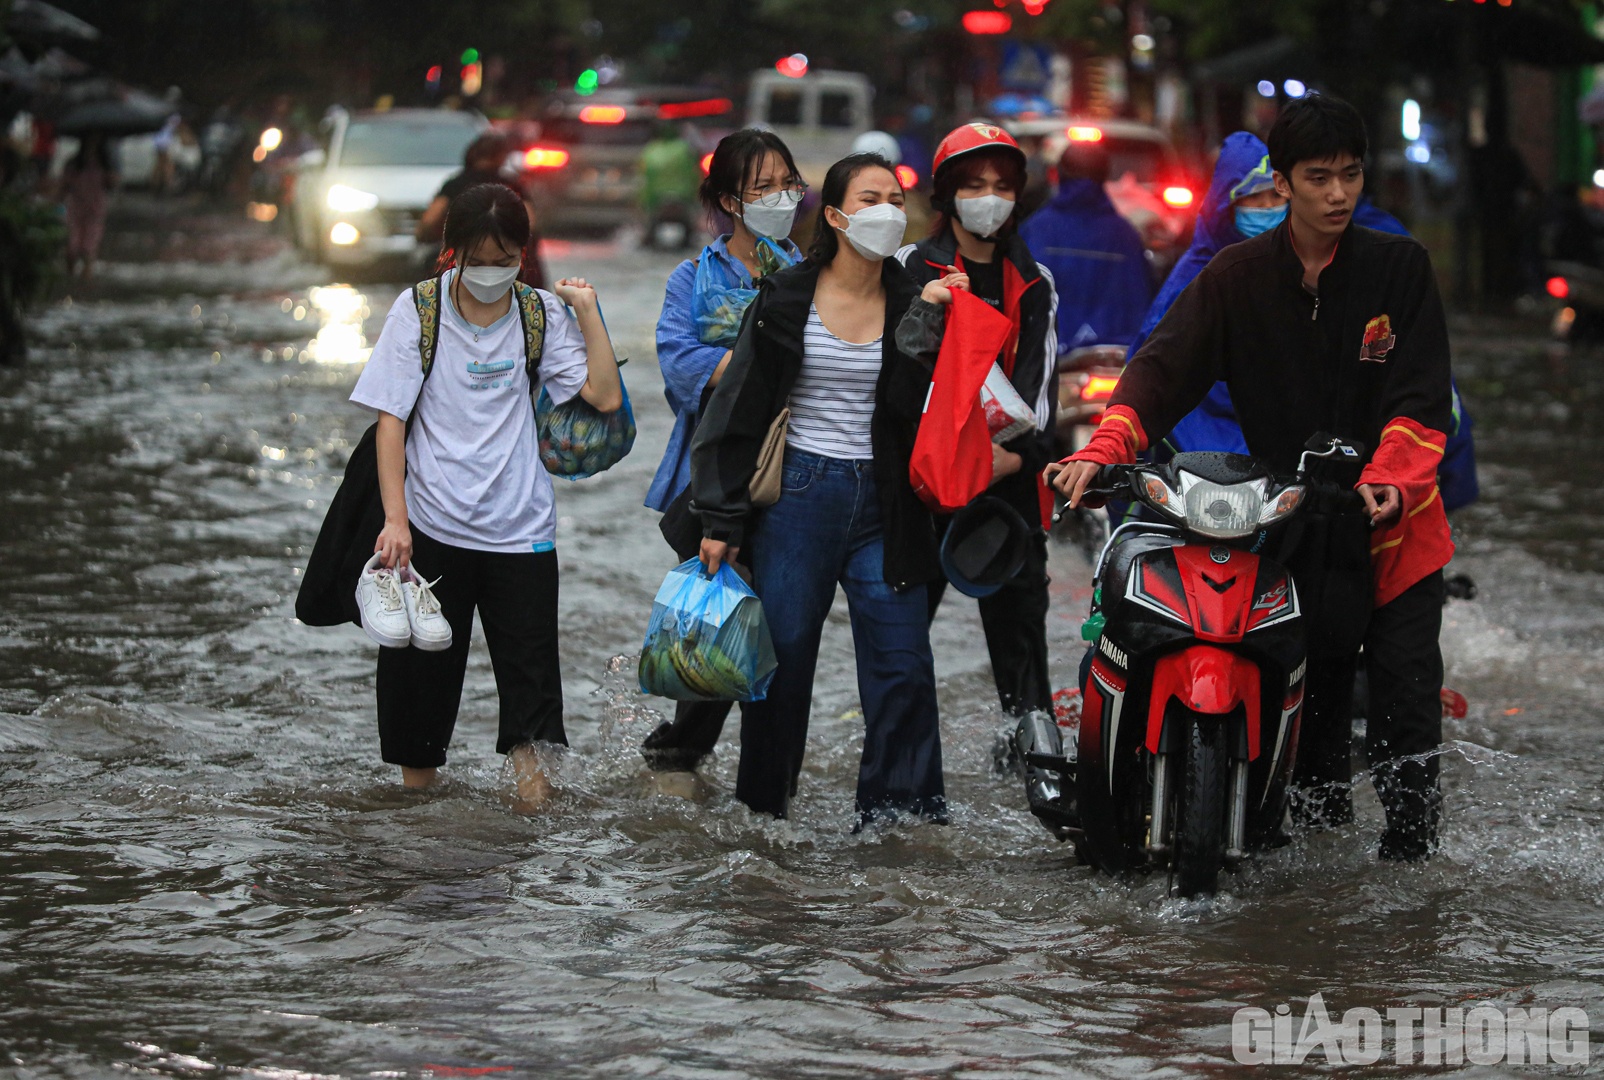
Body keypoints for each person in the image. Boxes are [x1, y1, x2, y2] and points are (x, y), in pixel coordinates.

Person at [1049, 94, 1455, 862]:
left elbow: (1423, 395)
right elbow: (1161, 371)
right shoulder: (1235, 277)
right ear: (1284, 182)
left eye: (1351, 176)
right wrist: (1103, 449)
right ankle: (1310, 875)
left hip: (1395, 531)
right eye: (1319, 178)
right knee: (1311, 716)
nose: (1338, 194)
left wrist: (1391, 477)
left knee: (1408, 710)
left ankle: (1412, 868)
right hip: (1292, 525)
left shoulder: (1399, 268)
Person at [689, 153, 946, 824]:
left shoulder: (915, 301)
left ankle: (900, 820)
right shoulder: (785, 297)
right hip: (799, 497)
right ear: (835, 216)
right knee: (782, 663)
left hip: (886, 506)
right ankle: (764, 815)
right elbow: (735, 410)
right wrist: (720, 522)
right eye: (871, 198)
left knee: (904, 665)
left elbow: (925, 407)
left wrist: (932, 325)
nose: (889, 209)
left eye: (897, 196)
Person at [350, 184, 623, 809]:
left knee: (532, 692)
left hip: (522, 530)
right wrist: (397, 521)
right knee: (421, 687)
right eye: (481, 259)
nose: (494, 273)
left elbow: (604, 397)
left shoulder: (537, 315)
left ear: (523, 257)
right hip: (433, 525)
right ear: (453, 253)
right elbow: (390, 422)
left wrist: (586, 311)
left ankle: (532, 819)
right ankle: (417, 819)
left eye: (508, 260)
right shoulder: (417, 312)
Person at [639, 128, 805, 776]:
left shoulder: (810, 276)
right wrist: (755, 366)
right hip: (708, 481)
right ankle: (678, 756)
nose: (779, 197)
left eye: (787, 184)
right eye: (763, 187)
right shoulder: (693, 278)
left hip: (794, 474)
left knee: (779, 633)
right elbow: (679, 367)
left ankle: (745, 771)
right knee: (714, 627)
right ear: (731, 200)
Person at [893, 122, 1058, 723]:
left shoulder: (1036, 283)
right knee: (900, 645)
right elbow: (896, 379)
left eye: (1001, 185)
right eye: (974, 184)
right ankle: (905, 778)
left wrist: (1003, 461)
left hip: (1006, 486)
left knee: (1024, 653)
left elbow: (1040, 403)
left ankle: (1033, 759)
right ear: (946, 194)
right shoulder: (911, 268)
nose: (989, 197)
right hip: (921, 486)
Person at [1019, 137, 1153, 352]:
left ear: (1057, 175)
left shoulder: (1034, 230)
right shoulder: (1126, 236)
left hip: (1044, 360)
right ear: (1105, 176)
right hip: (1114, 361)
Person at [416, 133, 547, 289]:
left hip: (456, 269)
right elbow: (530, 225)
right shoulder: (511, 185)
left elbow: (428, 221)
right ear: (500, 156)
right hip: (512, 273)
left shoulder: (455, 184)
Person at [637, 121, 703, 248]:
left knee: (646, 237)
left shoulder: (650, 150)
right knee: (693, 238)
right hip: (682, 197)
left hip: (658, 199)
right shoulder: (685, 149)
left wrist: (644, 202)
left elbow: (645, 180)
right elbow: (694, 176)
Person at [61, 134, 114, 279]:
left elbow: (111, 183)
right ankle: (70, 275)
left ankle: (86, 279)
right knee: (72, 246)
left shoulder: (105, 164)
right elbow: (64, 184)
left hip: (95, 209)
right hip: (76, 207)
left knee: (89, 246)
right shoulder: (74, 163)